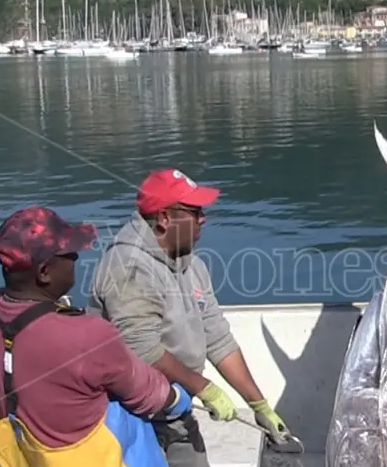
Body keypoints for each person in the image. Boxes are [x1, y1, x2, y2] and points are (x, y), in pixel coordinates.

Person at [90, 168, 300, 467]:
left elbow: (218, 337)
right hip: (132, 415)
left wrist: (259, 404)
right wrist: (205, 388)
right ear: (164, 218)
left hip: (177, 407)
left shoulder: (193, 265)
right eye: (195, 211)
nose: (204, 218)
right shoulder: (129, 267)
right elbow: (142, 348)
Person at [0, 205, 194, 467]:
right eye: (71, 254)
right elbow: (147, 394)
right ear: (44, 272)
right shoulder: (86, 334)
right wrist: (180, 398)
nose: (77, 259)